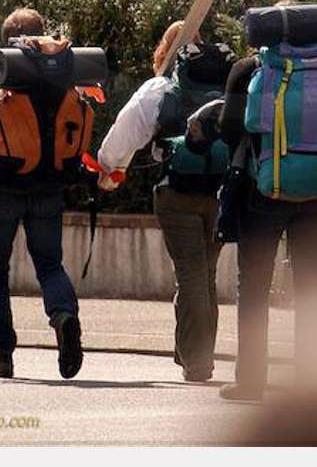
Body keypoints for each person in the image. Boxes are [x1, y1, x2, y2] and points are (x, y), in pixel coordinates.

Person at [209, 39, 317, 402]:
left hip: (265, 188)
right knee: (313, 287)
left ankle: (251, 382)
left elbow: (228, 128)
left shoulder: (250, 68)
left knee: (254, 285)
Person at [95, 23, 236, 383]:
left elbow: (121, 136)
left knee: (190, 275)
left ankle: (198, 361)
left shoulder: (160, 89)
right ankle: (190, 350)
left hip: (176, 193)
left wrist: (110, 169)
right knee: (203, 274)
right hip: (221, 191)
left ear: (164, 50)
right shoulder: (229, 85)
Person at [0, 7, 83, 381]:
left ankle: (0, 354)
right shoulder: (64, 71)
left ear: (5, 39)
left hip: (4, 186)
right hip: (49, 183)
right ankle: (64, 316)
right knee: (49, 263)